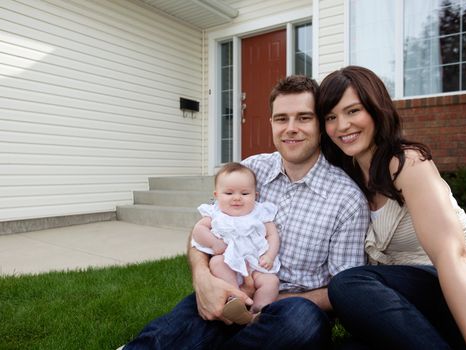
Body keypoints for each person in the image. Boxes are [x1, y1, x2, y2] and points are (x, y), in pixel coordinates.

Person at [123, 75, 370, 349]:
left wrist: (267, 301)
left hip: (291, 306)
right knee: (186, 320)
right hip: (231, 286)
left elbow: (343, 292)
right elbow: (203, 232)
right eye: (281, 119)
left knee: (300, 322)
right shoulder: (250, 170)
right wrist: (203, 279)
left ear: (320, 125)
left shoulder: (346, 199)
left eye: (303, 118)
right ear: (271, 124)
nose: (291, 128)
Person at [318, 65, 466, 350]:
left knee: (349, 284)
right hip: (427, 304)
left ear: (376, 109)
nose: (341, 125)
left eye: (353, 111)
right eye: (331, 117)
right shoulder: (346, 180)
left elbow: (452, 257)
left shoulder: (407, 163)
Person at [191, 162, 280, 323]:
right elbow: (198, 230)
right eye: (229, 193)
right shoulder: (215, 213)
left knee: (271, 281)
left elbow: (273, 235)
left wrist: (270, 256)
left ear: (256, 195)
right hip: (228, 260)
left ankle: (257, 310)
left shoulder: (260, 212)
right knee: (217, 262)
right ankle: (234, 298)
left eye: (245, 193)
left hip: (255, 264)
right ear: (217, 195)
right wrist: (214, 244)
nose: (237, 198)